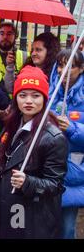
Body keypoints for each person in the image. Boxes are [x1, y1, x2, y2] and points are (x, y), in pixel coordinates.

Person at [0, 66, 68, 239]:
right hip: (3, 205)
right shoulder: (13, 124)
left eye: (35, 96)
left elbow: (55, 185)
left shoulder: (53, 137)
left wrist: (28, 182)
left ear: (44, 99)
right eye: (23, 95)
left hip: (29, 214)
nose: (29, 101)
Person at [49, 49, 84, 239]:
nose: (63, 70)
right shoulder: (51, 92)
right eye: (60, 65)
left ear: (81, 69)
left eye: (70, 66)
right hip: (48, 168)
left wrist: (72, 128)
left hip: (73, 171)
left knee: (67, 227)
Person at [0, 22, 29, 94]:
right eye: (2, 34)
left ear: (16, 36)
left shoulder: (26, 56)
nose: (5, 37)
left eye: (9, 34)